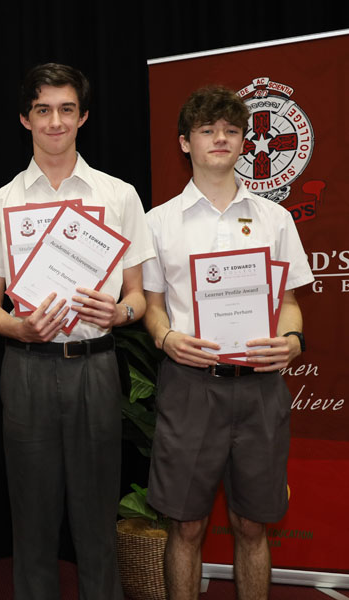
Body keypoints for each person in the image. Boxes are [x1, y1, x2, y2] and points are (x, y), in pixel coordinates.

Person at [0, 62, 155, 600]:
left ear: (83, 116)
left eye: (66, 109)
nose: (55, 121)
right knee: (32, 519)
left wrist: (119, 314)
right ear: (25, 119)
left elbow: (139, 297)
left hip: (96, 365)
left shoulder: (118, 196)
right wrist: (18, 327)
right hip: (27, 369)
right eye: (43, 110)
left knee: (97, 518)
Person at [142, 85, 313, 600]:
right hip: (190, 387)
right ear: (184, 142)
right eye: (207, 130)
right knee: (186, 525)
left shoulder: (275, 219)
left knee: (252, 525)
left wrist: (293, 338)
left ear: (243, 142)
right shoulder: (158, 222)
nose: (220, 138)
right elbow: (151, 307)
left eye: (231, 130)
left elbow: (289, 302)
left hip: (259, 388)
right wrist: (166, 337)